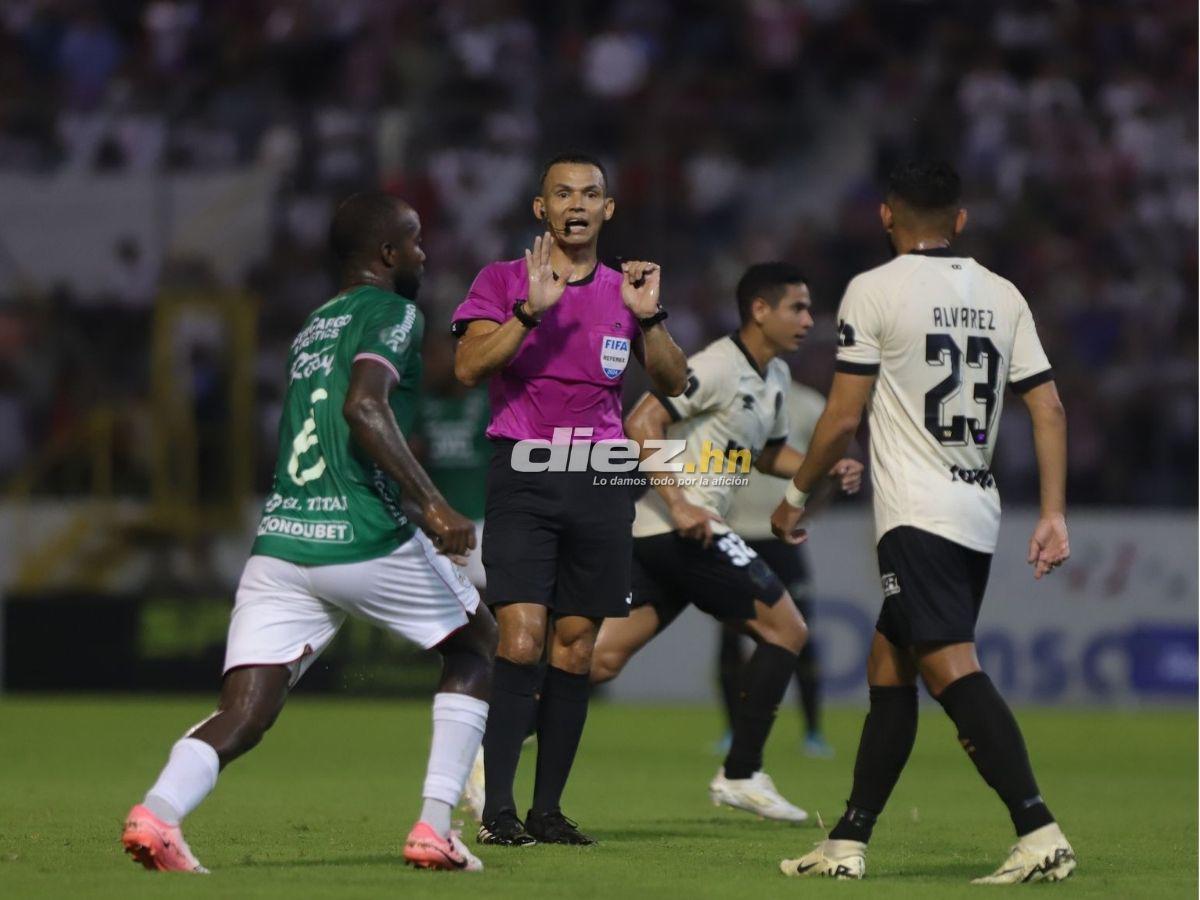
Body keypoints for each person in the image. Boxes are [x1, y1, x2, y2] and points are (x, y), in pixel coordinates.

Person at [120, 192, 497, 874]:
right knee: (477, 645)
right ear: (386, 254)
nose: (422, 253)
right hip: (362, 536)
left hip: (283, 542)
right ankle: (435, 827)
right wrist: (434, 506)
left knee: (245, 711)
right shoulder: (394, 312)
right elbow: (363, 406)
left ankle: (158, 814)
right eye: (413, 242)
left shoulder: (315, 323)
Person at [773, 161, 1075, 883]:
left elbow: (844, 416)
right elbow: (1049, 407)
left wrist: (796, 495)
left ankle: (1038, 830)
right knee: (890, 663)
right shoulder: (1005, 295)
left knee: (948, 667)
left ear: (886, 216)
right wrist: (1055, 513)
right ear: (960, 220)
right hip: (976, 508)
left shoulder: (875, 289)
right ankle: (848, 841)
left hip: (917, 511)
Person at [452, 152, 688, 846]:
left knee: (577, 647)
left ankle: (546, 811)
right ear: (541, 209)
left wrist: (650, 321)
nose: (577, 204)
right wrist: (530, 311)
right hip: (523, 473)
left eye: (590, 194)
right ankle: (498, 811)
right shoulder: (502, 281)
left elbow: (673, 382)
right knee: (521, 637)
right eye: (563, 193)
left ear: (608, 210)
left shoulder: (627, 290)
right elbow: (467, 366)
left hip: (603, 476)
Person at [589, 263, 862, 821]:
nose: (810, 320)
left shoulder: (776, 377)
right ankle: (741, 774)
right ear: (760, 311)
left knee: (600, 660)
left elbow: (762, 455)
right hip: (682, 527)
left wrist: (823, 467)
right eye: (798, 308)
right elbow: (642, 421)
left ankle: (489, 745)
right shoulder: (715, 366)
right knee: (787, 630)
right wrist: (680, 500)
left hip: (664, 533)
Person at [721, 377, 837, 758]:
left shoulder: (807, 403)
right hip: (736, 530)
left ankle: (814, 731)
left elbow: (829, 461)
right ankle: (733, 731)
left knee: (800, 632)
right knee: (731, 636)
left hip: (782, 537)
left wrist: (808, 514)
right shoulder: (729, 399)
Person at [412, 330, 491, 590]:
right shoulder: (421, 407)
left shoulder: (489, 402)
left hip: (481, 523)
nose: (428, 363)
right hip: (437, 528)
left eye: (435, 356)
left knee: (485, 608)